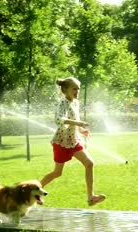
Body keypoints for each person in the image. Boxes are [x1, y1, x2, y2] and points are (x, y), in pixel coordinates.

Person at [41, 77, 106, 206]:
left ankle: (91, 197)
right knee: (57, 173)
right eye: (74, 88)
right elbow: (59, 119)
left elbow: (74, 121)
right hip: (62, 143)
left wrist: (81, 130)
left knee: (89, 163)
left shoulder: (76, 102)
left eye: (78, 89)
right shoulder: (63, 103)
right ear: (65, 90)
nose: (77, 91)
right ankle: (35, 190)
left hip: (74, 141)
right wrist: (79, 123)